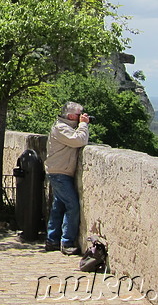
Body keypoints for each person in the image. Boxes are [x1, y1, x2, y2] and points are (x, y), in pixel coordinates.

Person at [44, 101, 90, 256]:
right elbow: (79, 141)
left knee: (59, 207)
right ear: (71, 115)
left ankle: (52, 240)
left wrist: (80, 124)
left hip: (59, 171)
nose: (82, 117)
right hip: (59, 173)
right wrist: (83, 125)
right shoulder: (61, 128)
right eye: (79, 115)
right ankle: (67, 242)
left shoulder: (64, 127)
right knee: (73, 206)